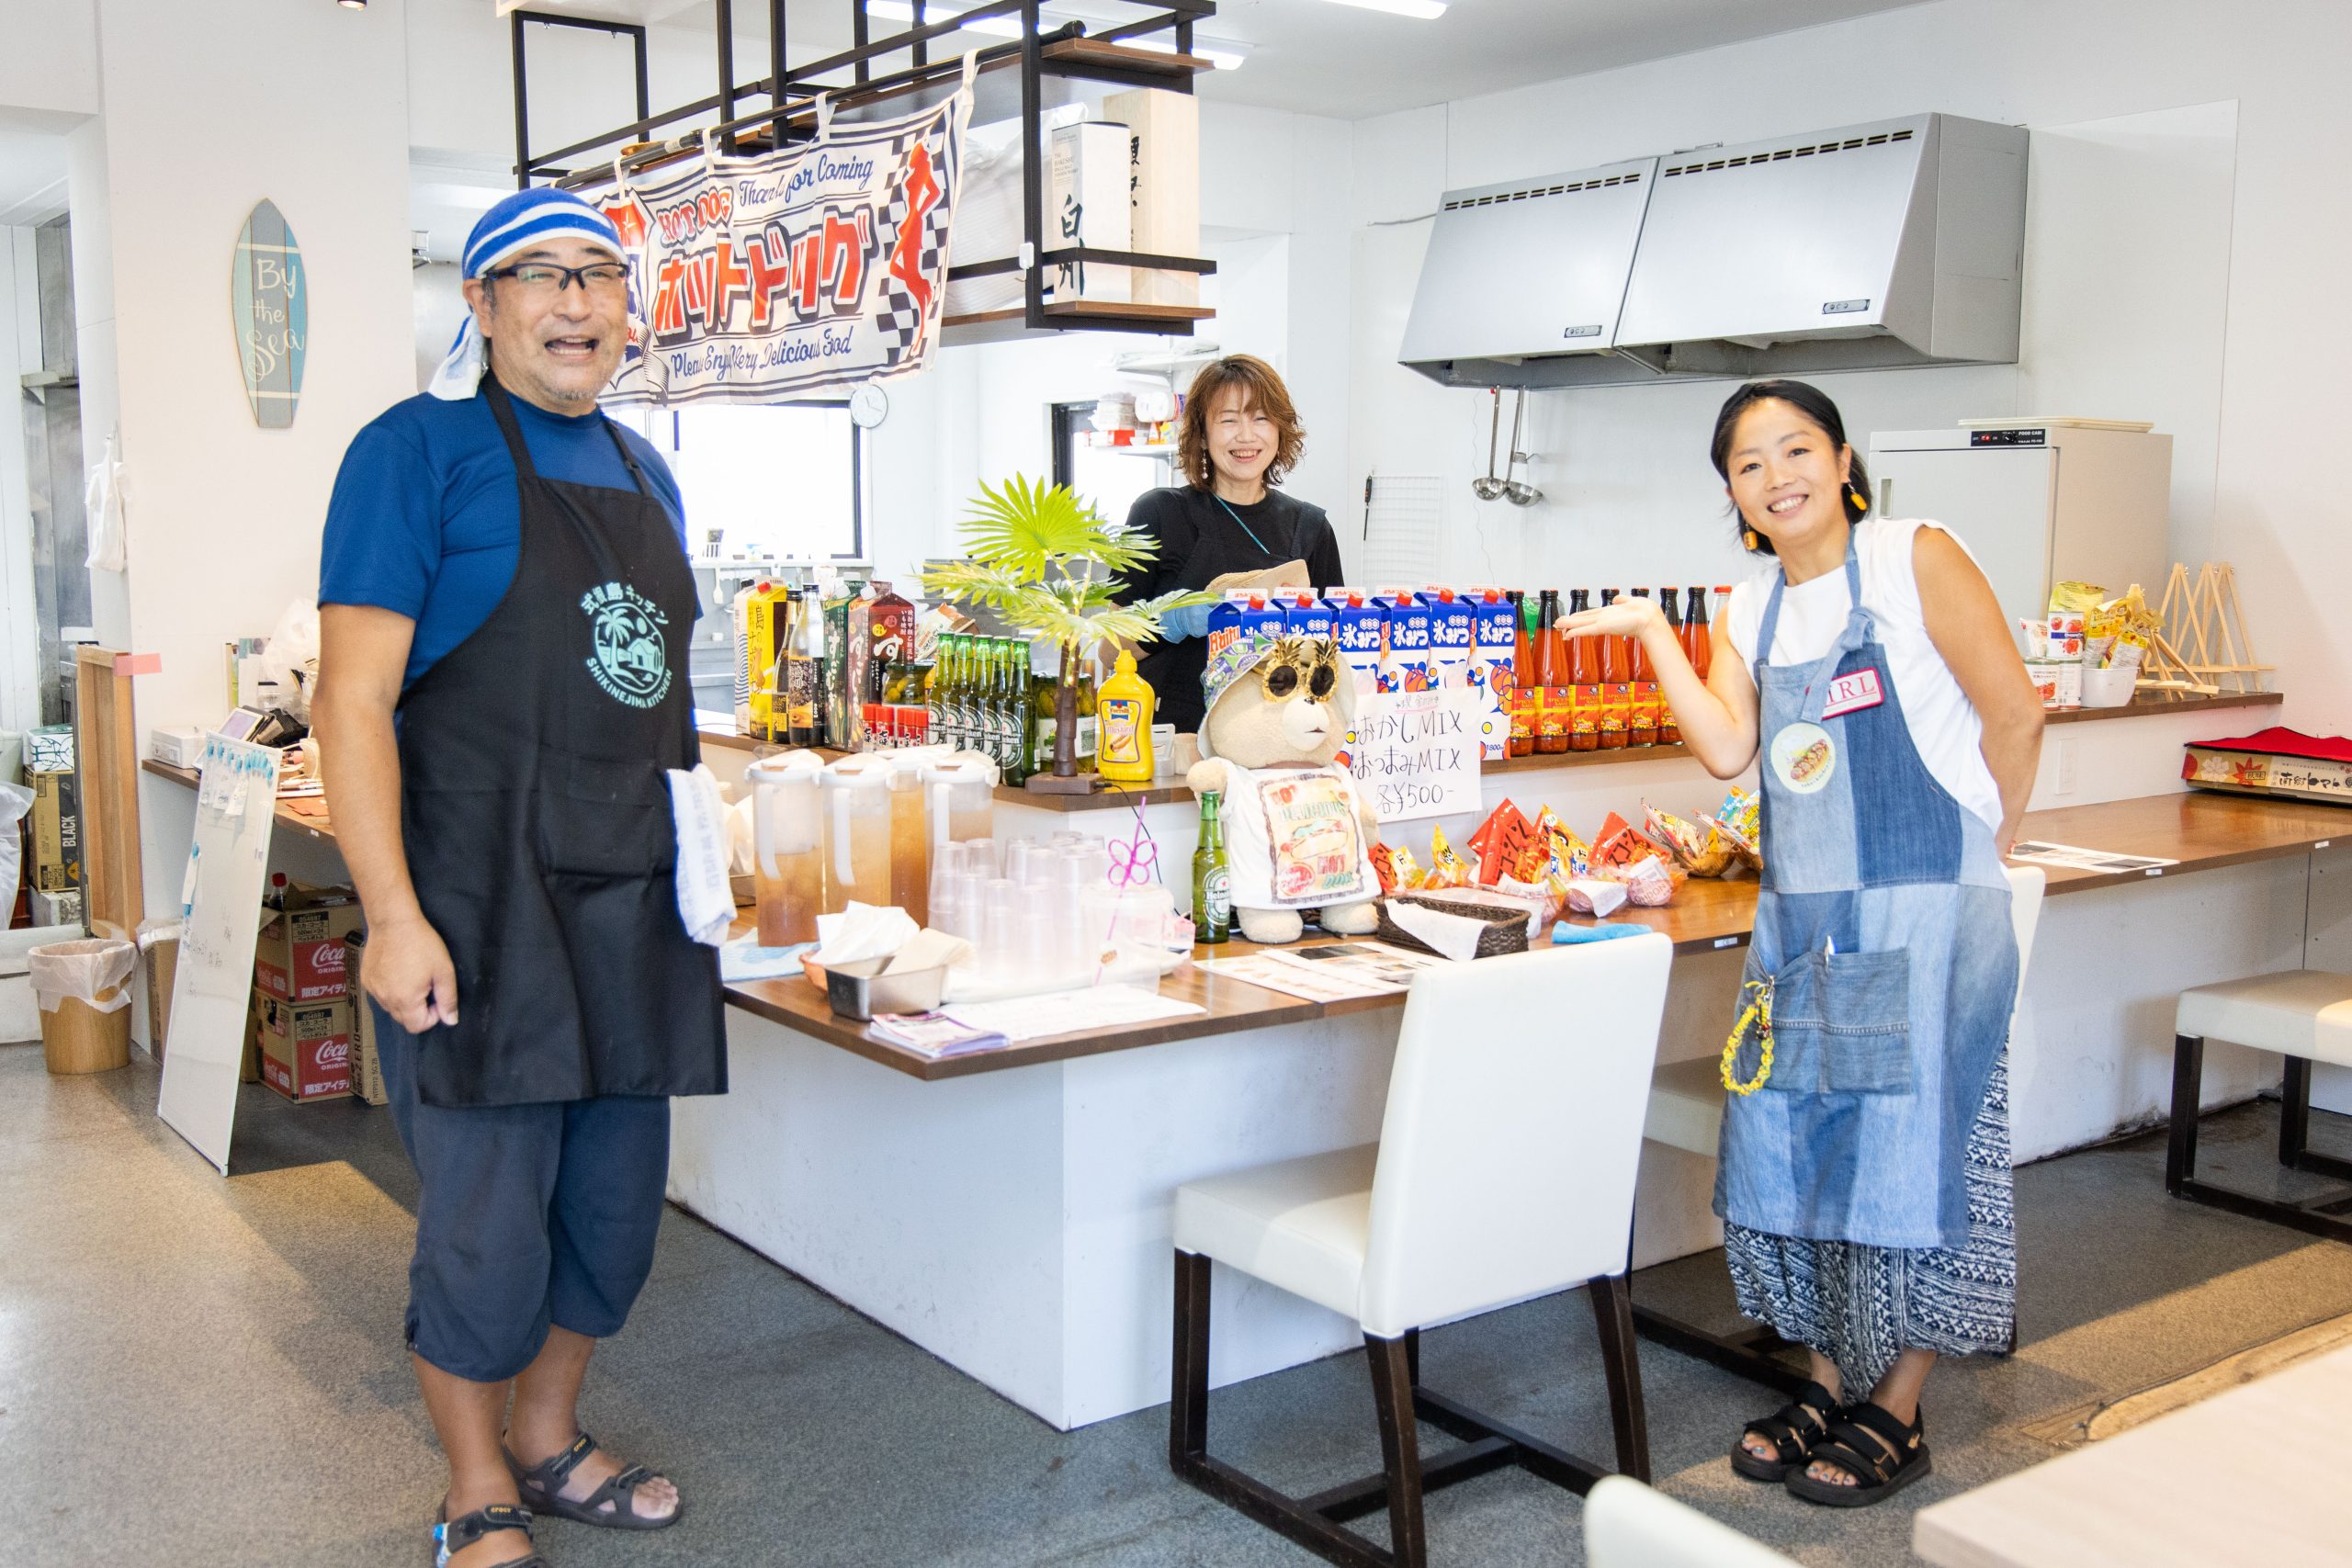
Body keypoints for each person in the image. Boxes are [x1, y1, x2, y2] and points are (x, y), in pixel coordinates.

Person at [311, 188, 725, 1568]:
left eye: (598, 275)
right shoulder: (415, 453)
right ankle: (476, 1475)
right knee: (487, 1220)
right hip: (478, 904)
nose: (574, 301)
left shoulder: (650, 470)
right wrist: (389, 915)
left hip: (633, 902)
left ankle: (550, 1432)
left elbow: (657, 696)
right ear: (480, 306)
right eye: (536, 276)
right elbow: (353, 702)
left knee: (611, 1207)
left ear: (626, 306)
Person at [1565, 379, 2041, 1507]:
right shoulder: (1751, 609)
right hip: (1808, 925)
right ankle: (1831, 1382)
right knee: (1817, 1155)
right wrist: (1648, 635)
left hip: (1923, 914)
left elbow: (2014, 714)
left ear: (1839, 460)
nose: (1776, 475)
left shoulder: (1914, 555)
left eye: (1795, 449)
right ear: (1730, 489)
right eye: (1747, 462)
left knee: (1911, 1156)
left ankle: (1900, 1405)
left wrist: (1976, 860)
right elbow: (1728, 749)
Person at [1114, 355, 1343, 734]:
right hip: (1172, 739)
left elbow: (1330, 650)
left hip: (1275, 738)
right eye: (1229, 419)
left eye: (1260, 418)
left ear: (1280, 429)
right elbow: (1110, 647)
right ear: (1202, 433)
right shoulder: (1158, 513)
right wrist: (1174, 620)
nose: (1246, 436)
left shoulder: (1310, 527)